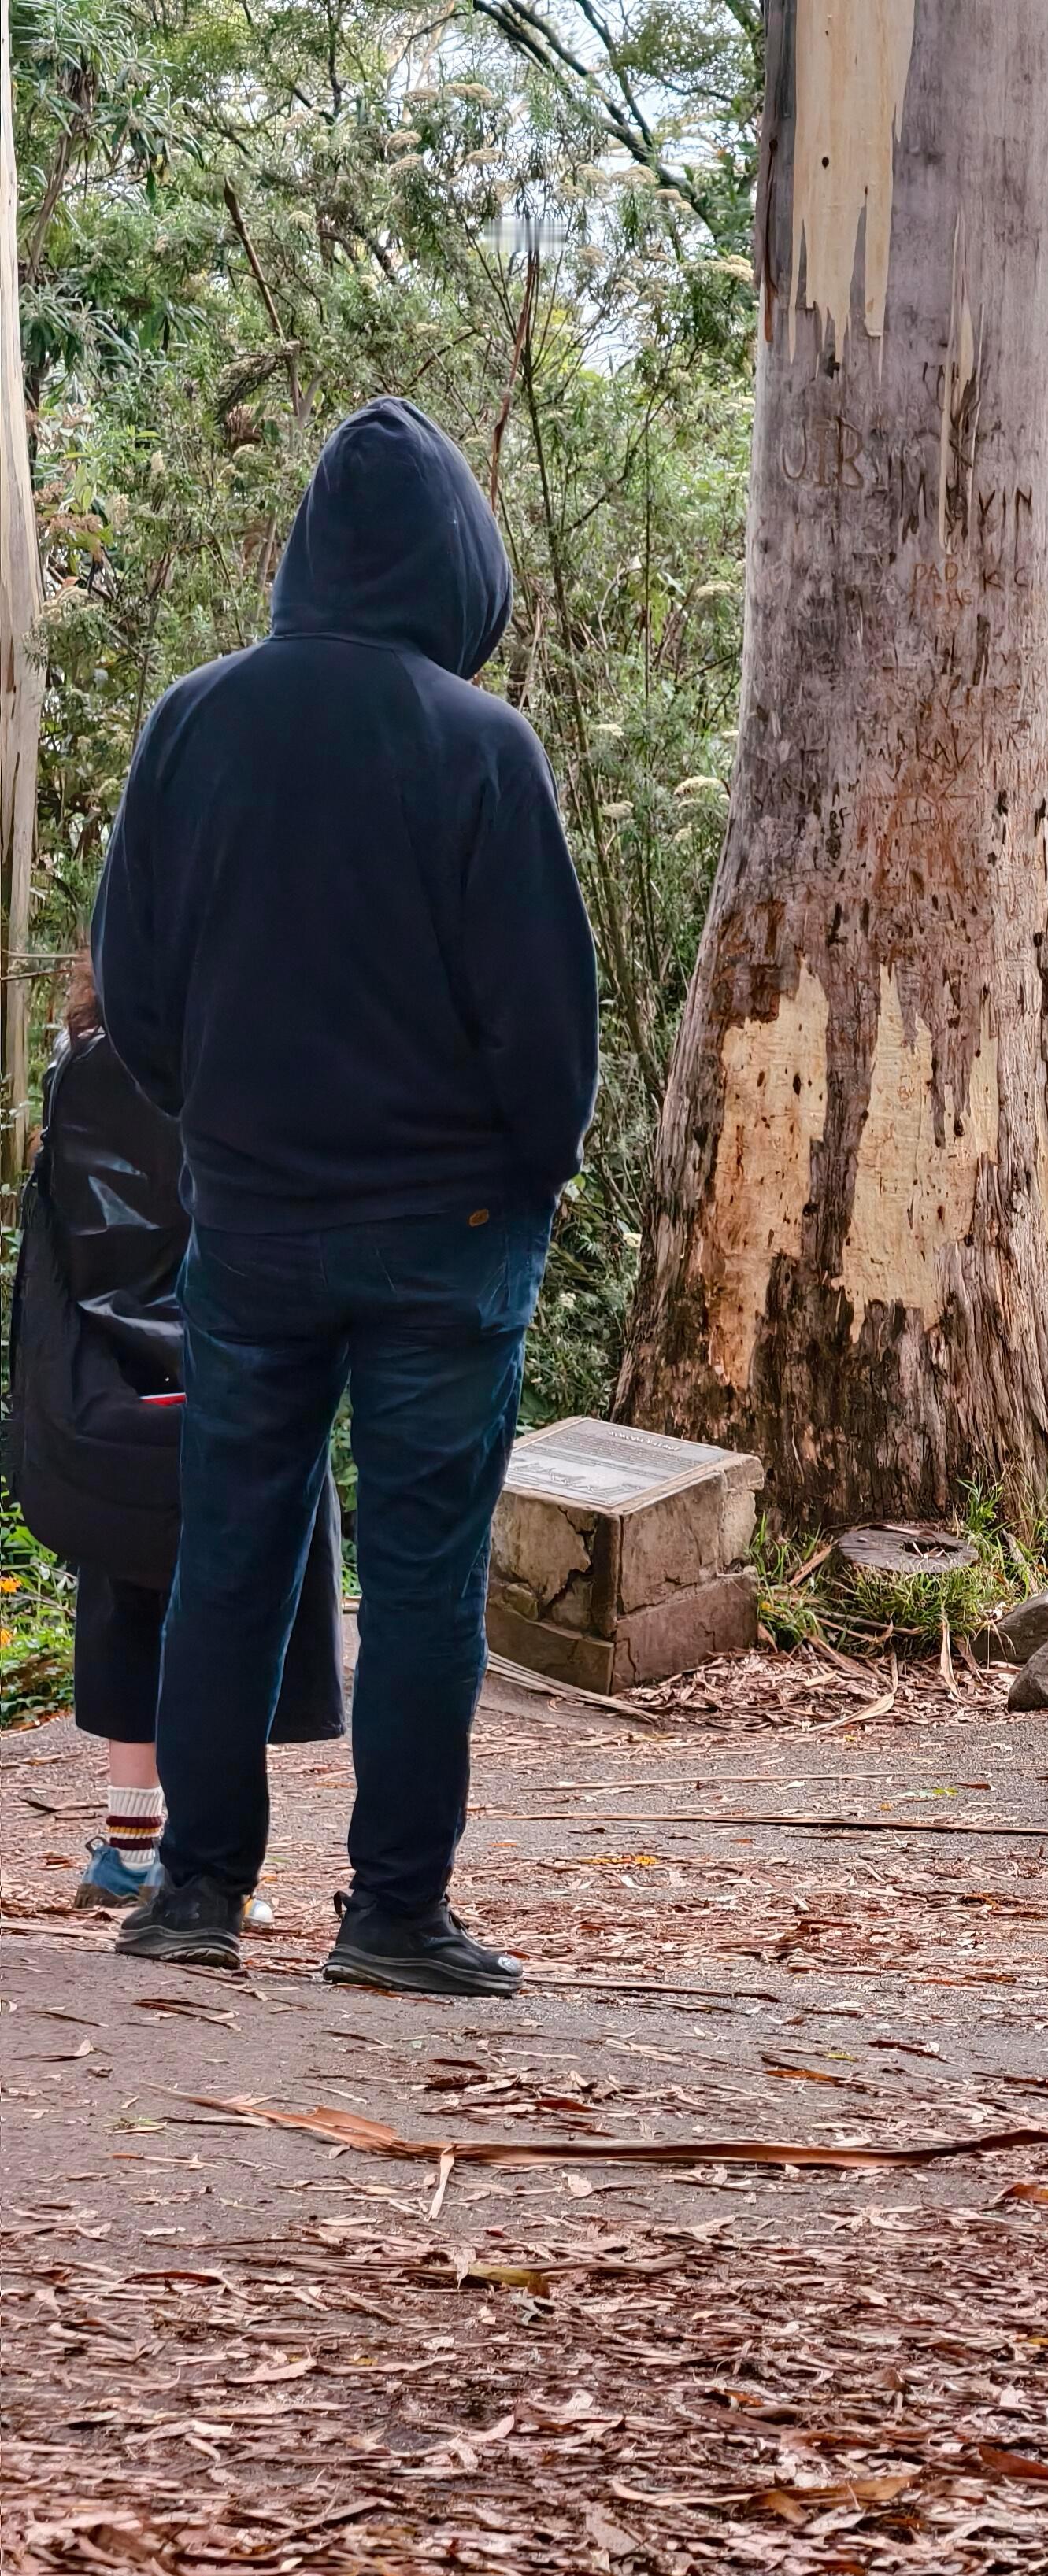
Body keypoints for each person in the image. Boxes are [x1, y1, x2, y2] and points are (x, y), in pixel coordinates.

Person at [92, 396, 598, 1991]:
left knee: (232, 1545)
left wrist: (224, 1128)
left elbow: (137, 987)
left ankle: (193, 1897)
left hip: (250, 1222)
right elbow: (545, 1020)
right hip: (446, 1232)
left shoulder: (194, 723)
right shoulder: (480, 743)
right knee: (428, 1571)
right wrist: (531, 1172)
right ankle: (392, 1917)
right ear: (461, 562)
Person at [6, 948, 346, 1912]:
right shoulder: (252, 1052)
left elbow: (70, 1233)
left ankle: (130, 1845)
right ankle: (210, 1854)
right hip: (245, 1364)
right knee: (251, 1596)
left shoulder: (86, 1060)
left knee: (129, 1588)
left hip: (118, 1382)